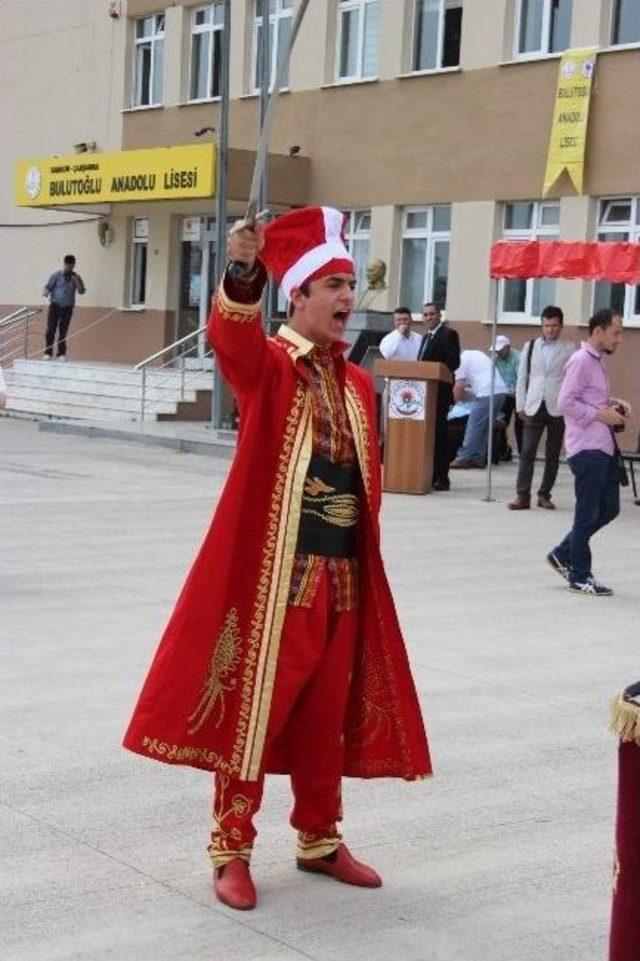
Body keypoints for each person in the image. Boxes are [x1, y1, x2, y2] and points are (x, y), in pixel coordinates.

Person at [123, 206, 431, 911]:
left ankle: (319, 838)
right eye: (335, 284)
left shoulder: (355, 382)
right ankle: (230, 846)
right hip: (278, 582)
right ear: (298, 294)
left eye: (352, 283)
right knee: (257, 709)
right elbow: (230, 336)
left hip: (344, 577)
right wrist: (239, 270)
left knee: (325, 713)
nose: (348, 298)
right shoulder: (270, 367)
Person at [547, 308, 630, 596]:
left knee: (610, 508)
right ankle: (580, 575)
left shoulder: (597, 361)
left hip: (603, 447)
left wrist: (615, 405)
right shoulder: (581, 360)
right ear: (598, 332)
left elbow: (592, 399)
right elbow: (565, 402)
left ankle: (562, 552)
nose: (620, 339)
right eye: (616, 333)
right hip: (587, 449)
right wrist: (600, 415)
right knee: (587, 513)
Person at [509, 305, 574, 510]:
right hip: (533, 404)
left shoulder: (569, 349)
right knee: (527, 450)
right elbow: (521, 378)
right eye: (546, 325)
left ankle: (544, 494)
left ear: (561, 326)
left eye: (554, 326)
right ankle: (522, 495)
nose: (550, 330)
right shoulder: (530, 347)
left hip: (558, 406)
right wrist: (520, 404)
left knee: (553, 453)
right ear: (541, 325)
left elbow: (572, 380)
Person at [417, 302, 460, 490]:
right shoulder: (425, 337)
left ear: (439, 315)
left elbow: (453, 362)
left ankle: (443, 477)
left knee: (439, 437)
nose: (429, 318)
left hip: (439, 393)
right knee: (428, 437)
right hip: (424, 394)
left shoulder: (448, 335)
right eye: (425, 315)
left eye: (432, 314)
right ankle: (430, 474)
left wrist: (435, 370)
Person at [449, 349, 507, 468]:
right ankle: (478, 458)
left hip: (487, 392)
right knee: (484, 427)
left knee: (474, 425)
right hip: (500, 391)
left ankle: (463, 458)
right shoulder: (475, 353)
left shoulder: (460, 361)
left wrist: (451, 404)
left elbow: (459, 386)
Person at [42, 254, 86, 360]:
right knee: (51, 329)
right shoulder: (56, 275)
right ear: (65, 264)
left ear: (74, 265)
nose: (70, 268)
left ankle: (61, 353)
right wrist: (46, 292)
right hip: (55, 306)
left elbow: (81, 291)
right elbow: (48, 287)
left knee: (63, 331)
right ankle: (48, 352)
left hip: (67, 308)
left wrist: (77, 282)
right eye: (68, 266)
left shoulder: (76, 277)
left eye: (72, 266)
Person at [491, 334, 521, 460]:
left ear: (508, 347)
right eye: (496, 350)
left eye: (500, 349)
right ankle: (503, 451)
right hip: (504, 394)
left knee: (521, 425)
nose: (498, 352)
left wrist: (514, 391)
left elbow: (522, 378)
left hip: (519, 394)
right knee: (501, 422)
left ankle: (523, 453)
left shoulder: (518, 358)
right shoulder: (495, 359)